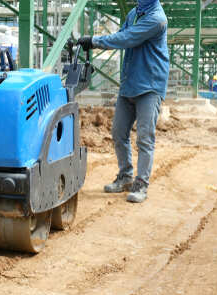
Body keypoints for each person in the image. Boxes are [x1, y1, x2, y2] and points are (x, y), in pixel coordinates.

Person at [77, 0, 169, 203]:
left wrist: (94, 41)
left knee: (145, 138)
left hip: (150, 86)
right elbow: (120, 36)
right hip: (129, 83)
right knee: (119, 133)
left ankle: (141, 184)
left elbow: (128, 38)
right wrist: (88, 42)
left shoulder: (157, 19)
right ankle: (126, 176)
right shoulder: (134, 14)